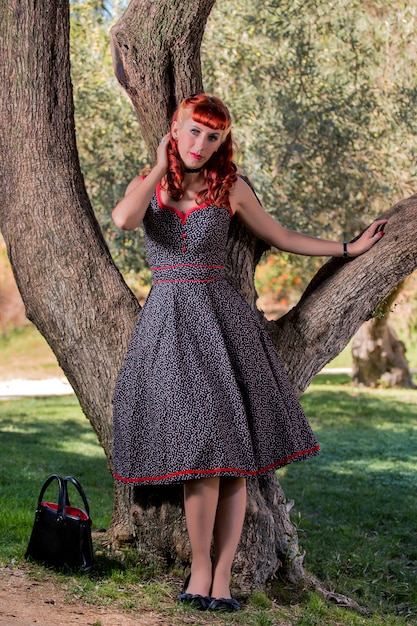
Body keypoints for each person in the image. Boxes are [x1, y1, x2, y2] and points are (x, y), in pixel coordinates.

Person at [112, 94, 386, 612]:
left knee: (232, 460)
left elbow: (280, 236)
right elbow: (125, 219)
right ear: (175, 127)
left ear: (222, 142)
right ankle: (198, 570)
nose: (201, 145)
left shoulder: (229, 187)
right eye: (193, 131)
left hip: (223, 326)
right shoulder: (148, 186)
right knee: (199, 460)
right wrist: (157, 163)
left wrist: (349, 249)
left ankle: (221, 579)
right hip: (168, 327)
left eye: (212, 137)